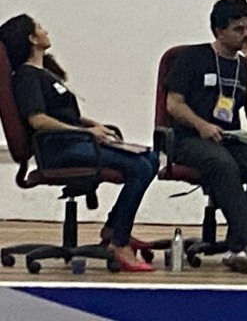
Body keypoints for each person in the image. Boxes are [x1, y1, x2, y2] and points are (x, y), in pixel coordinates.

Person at [0, 14, 159, 272]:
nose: (45, 30)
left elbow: (63, 115)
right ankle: (118, 242)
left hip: (74, 142)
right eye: (39, 27)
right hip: (59, 150)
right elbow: (38, 119)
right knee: (140, 166)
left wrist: (91, 124)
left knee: (150, 158)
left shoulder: (45, 74)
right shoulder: (26, 77)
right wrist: (85, 132)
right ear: (32, 39)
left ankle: (114, 228)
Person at [164, 0, 247, 274]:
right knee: (223, 164)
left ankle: (237, 248)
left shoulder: (243, 66)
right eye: (239, 29)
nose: (246, 35)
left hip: (229, 138)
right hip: (190, 138)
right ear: (219, 31)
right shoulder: (193, 57)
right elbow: (173, 104)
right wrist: (201, 124)